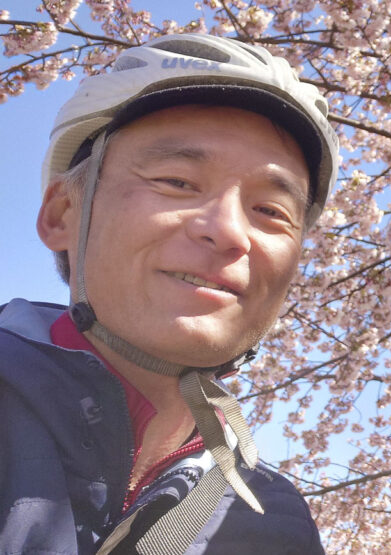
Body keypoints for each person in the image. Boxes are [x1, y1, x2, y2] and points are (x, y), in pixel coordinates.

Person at [0, 33, 337, 553]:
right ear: (62, 214)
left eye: (271, 211)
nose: (229, 232)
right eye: (177, 181)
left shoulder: (271, 519)